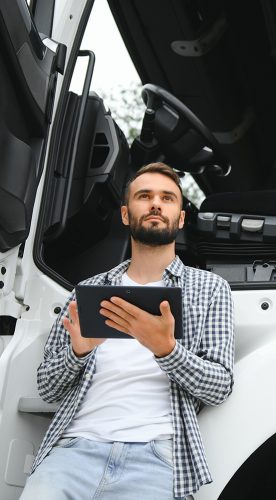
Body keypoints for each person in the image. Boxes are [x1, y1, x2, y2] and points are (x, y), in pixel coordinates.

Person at [21, 162, 235, 500]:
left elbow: (220, 385)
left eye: (167, 198)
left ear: (180, 219)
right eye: (144, 196)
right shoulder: (87, 290)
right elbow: (47, 387)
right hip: (74, 451)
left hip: (158, 458)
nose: (155, 204)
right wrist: (79, 352)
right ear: (125, 214)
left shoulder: (210, 289)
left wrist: (166, 350)